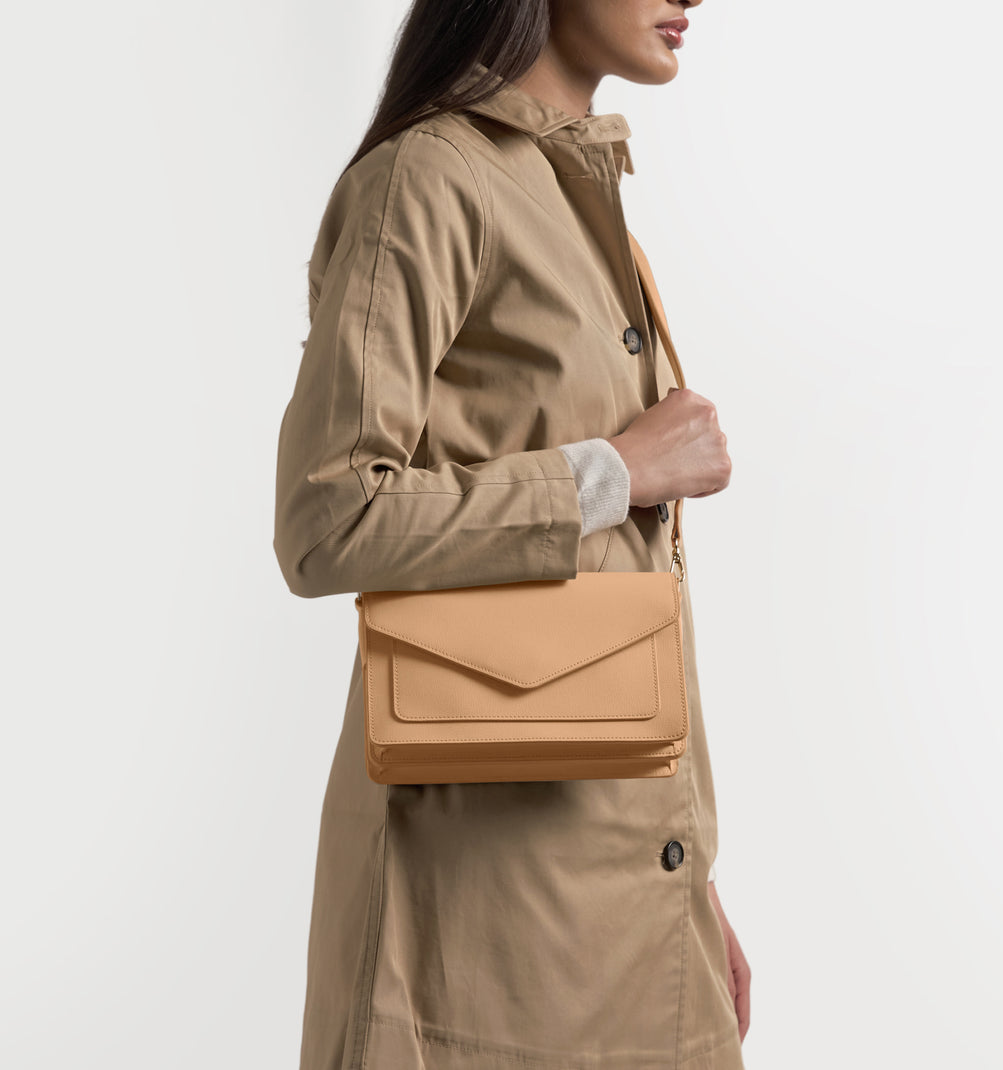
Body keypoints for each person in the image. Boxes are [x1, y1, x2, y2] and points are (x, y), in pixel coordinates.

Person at [273, 1, 751, 1066]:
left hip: (631, 900)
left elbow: (619, 584)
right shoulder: (428, 179)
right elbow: (328, 515)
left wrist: (690, 875)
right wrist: (614, 472)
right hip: (482, 916)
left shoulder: (571, 193)